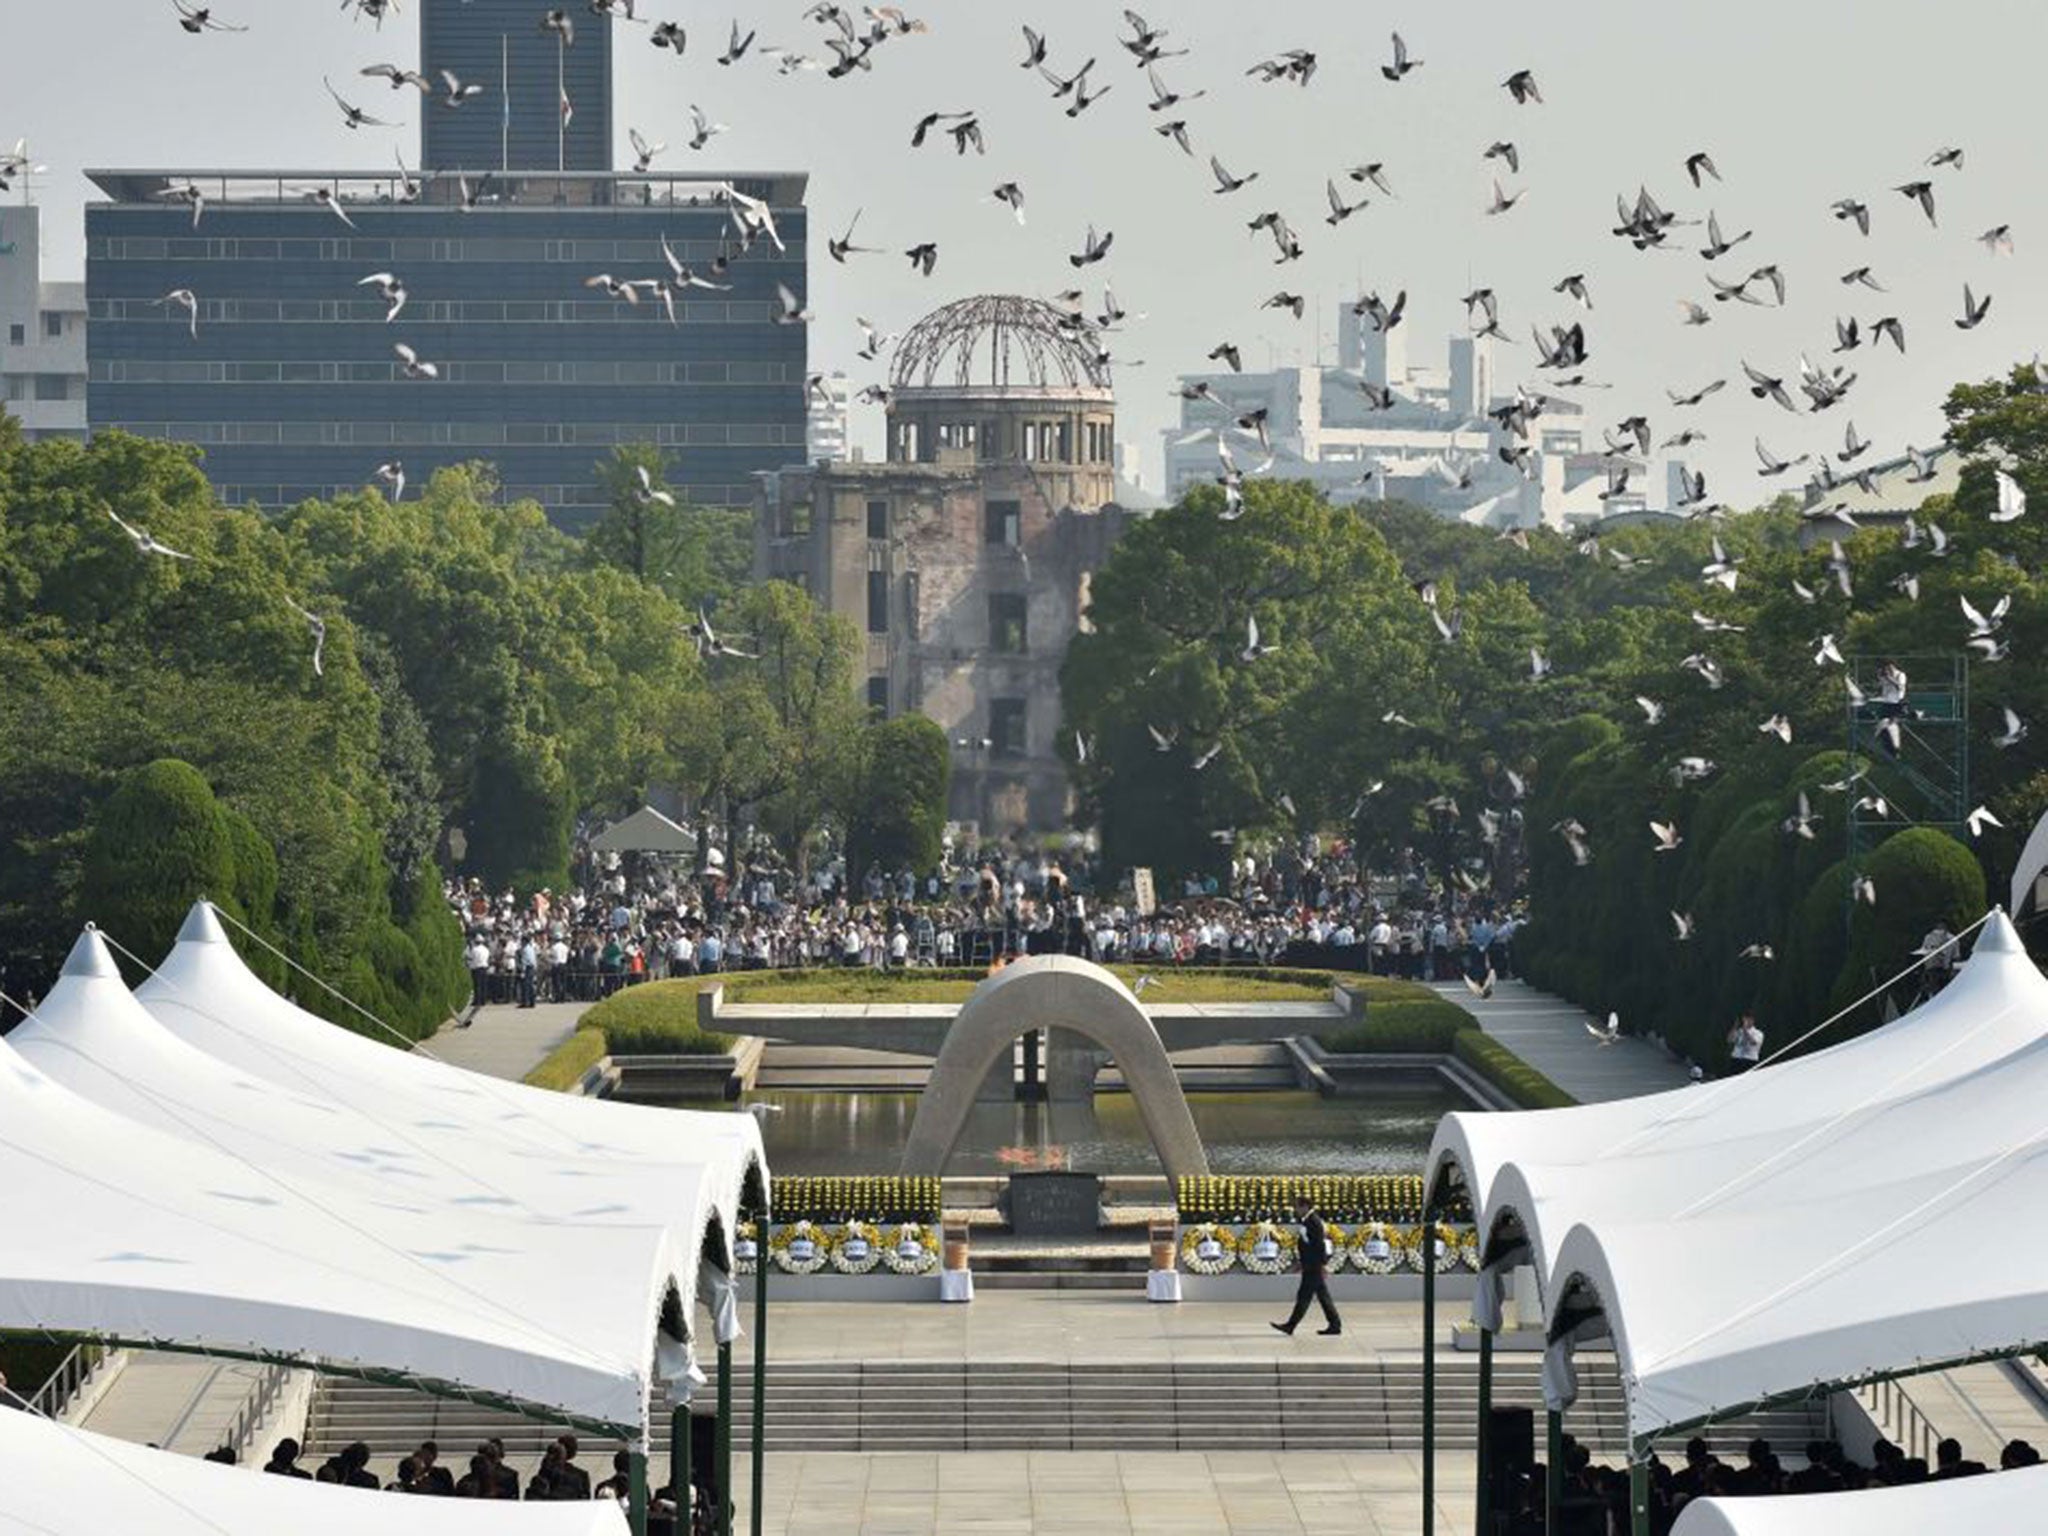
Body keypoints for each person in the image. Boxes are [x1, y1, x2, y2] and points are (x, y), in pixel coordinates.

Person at [1270, 1193, 1341, 1336]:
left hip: (1313, 1267)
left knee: (1304, 1296)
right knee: (1323, 1296)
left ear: (1305, 1206)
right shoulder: (1307, 1220)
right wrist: (1301, 1263)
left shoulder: (1314, 1221)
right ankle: (1335, 1324)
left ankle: (1290, 1325)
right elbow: (1307, 1245)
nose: (1295, 1209)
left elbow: (1319, 1245)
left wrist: (1321, 1265)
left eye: (1297, 1206)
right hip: (1309, 1265)